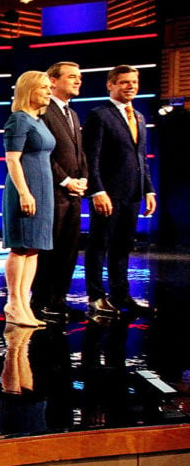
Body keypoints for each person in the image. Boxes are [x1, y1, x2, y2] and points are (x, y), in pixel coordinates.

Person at [83, 65, 156, 316]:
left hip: (133, 193)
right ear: (110, 85)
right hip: (108, 193)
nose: (131, 86)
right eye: (124, 82)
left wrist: (148, 190)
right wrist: (97, 190)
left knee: (123, 246)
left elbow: (141, 158)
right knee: (99, 244)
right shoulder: (99, 115)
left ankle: (121, 295)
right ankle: (95, 296)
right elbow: (90, 158)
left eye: (134, 82)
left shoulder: (139, 117)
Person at [31, 62, 88, 322]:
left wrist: (83, 178)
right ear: (53, 81)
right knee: (49, 249)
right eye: (72, 77)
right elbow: (42, 152)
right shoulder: (42, 110)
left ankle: (59, 300)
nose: (78, 81)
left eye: (79, 78)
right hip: (52, 191)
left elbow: (80, 152)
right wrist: (66, 180)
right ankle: (41, 301)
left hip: (74, 193)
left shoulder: (73, 114)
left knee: (69, 249)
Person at [1, 71, 55, 328]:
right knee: (21, 247)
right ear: (29, 90)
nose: (48, 91)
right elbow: (12, 159)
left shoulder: (38, 121)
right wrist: (24, 192)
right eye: (43, 87)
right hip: (25, 189)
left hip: (43, 190)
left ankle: (24, 303)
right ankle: (13, 303)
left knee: (33, 248)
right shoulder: (19, 120)